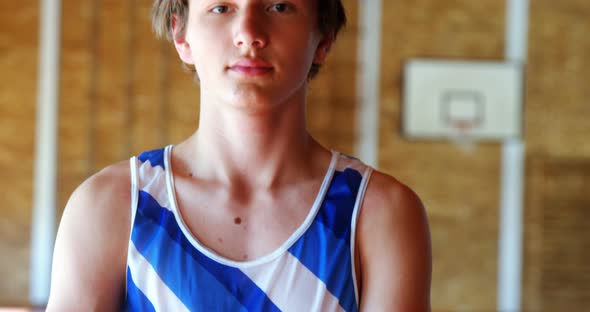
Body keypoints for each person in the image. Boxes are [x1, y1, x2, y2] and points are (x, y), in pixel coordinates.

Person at [47, 0, 432, 311]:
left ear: (324, 37)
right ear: (182, 34)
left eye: (279, 7)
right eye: (222, 8)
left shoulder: (380, 213)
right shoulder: (111, 206)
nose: (249, 33)